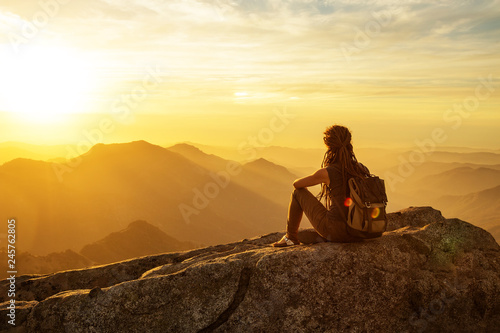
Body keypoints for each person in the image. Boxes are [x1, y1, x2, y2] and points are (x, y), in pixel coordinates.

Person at [273, 125, 370, 247]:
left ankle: (290, 237)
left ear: (329, 146)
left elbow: (296, 184)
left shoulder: (328, 172)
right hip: (360, 231)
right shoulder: (362, 169)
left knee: (298, 193)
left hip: (336, 231)